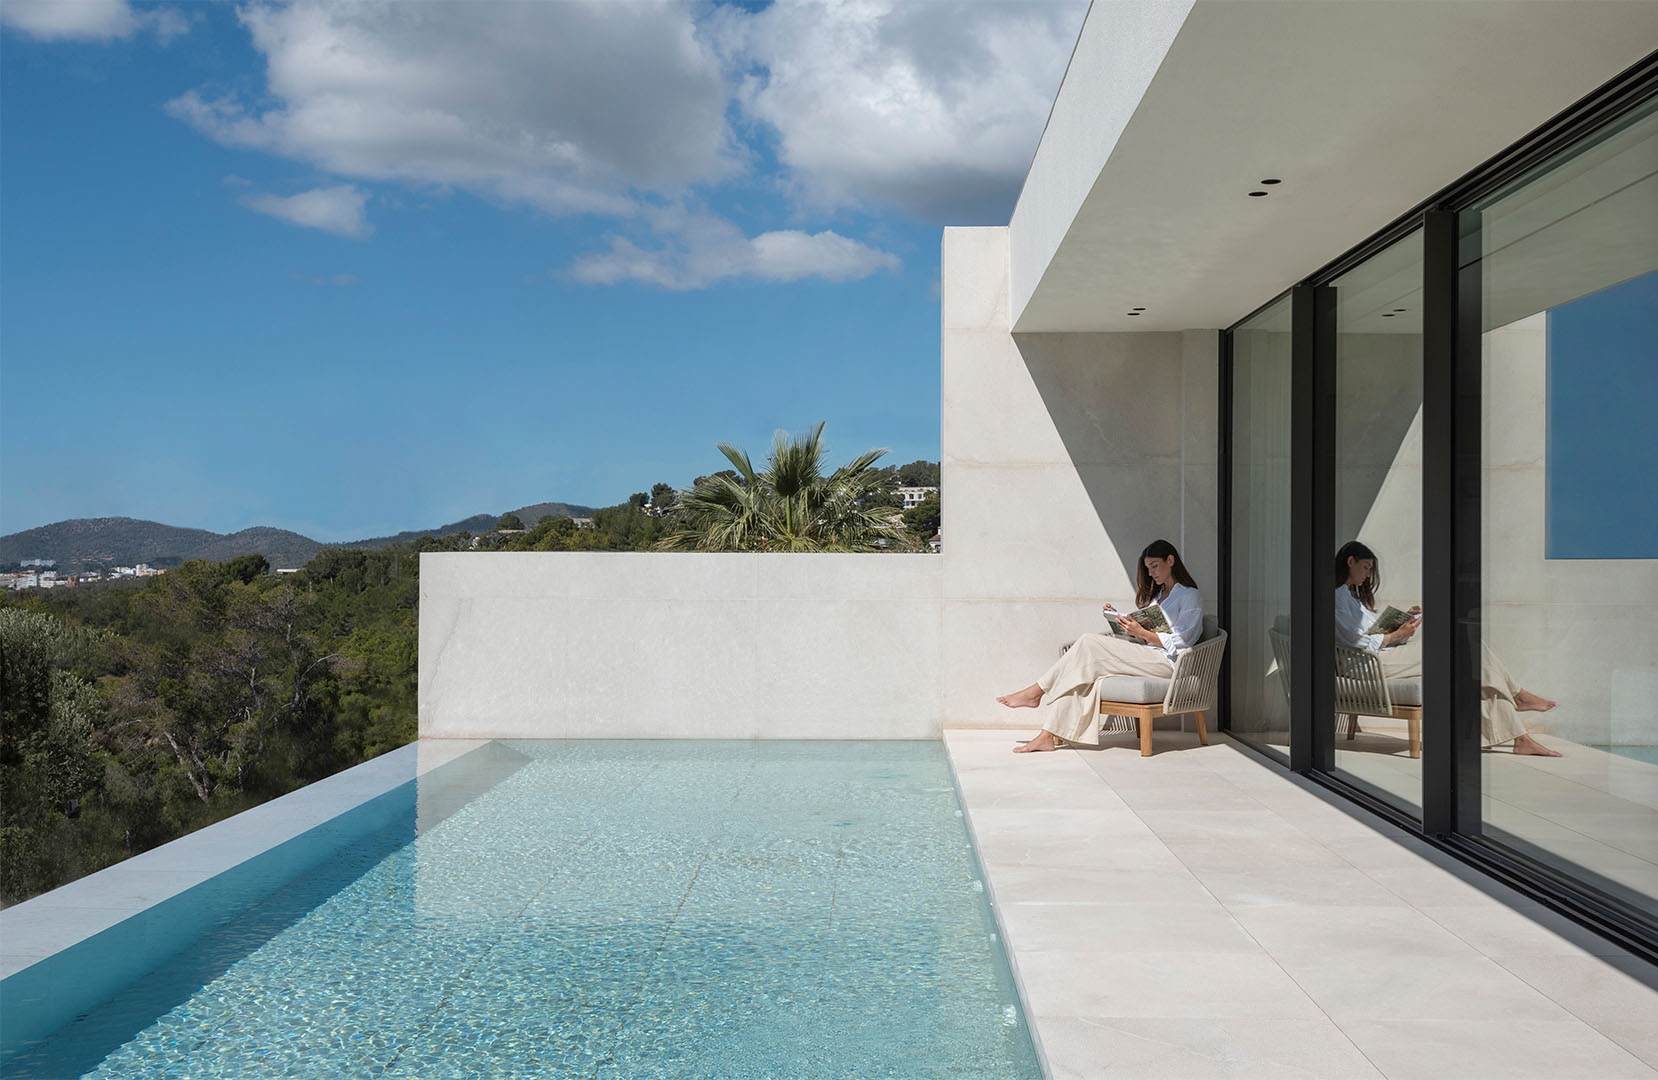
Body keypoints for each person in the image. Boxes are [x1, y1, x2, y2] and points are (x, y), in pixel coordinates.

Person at [1334, 540, 1561, 756]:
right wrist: (1397, 635)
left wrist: (1402, 623)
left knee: (1472, 662)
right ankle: (1518, 697)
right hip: (1366, 663)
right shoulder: (1335, 596)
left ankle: (1521, 738)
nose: (1367, 574)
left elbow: (1371, 633)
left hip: (1379, 656)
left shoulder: (1350, 597)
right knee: (1464, 648)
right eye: (1365, 567)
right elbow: (1354, 640)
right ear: (1350, 561)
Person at [999, 539, 1203, 753]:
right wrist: (1124, 624)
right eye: (1148, 568)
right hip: (1148, 656)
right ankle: (1046, 736)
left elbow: (1184, 640)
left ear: (1170, 560)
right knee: (1086, 677)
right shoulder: (1158, 596)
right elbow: (1147, 637)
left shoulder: (1190, 595)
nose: (1151, 573)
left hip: (1170, 664)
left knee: (1089, 642)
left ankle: (1036, 691)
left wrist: (1142, 632)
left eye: (1154, 566)